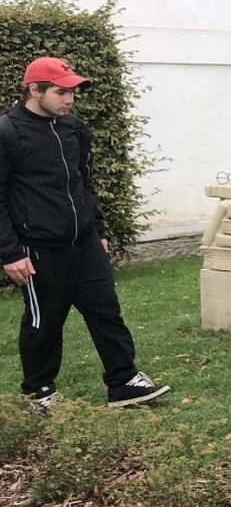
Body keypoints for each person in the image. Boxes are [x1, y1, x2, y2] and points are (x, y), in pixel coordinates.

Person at [0, 57, 168, 410]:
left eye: (72, 92)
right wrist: (10, 252)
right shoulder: (7, 132)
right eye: (61, 92)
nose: (69, 100)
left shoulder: (74, 128)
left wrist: (99, 229)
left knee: (106, 311)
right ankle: (39, 392)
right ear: (34, 90)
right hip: (39, 248)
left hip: (85, 242)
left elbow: (83, 182)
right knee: (44, 321)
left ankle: (123, 382)